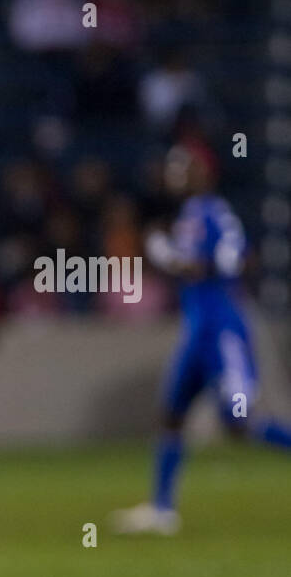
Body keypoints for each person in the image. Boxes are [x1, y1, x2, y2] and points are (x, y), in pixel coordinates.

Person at [113, 144, 291, 534]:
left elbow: (235, 260)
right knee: (172, 413)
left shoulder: (216, 212)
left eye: (184, 167)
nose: (176, 174)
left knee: (240, 422)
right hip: (197, 330)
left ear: (204, 173)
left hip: (223, 329)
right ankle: (162, 509)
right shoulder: (188, 217)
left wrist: (167, 255)